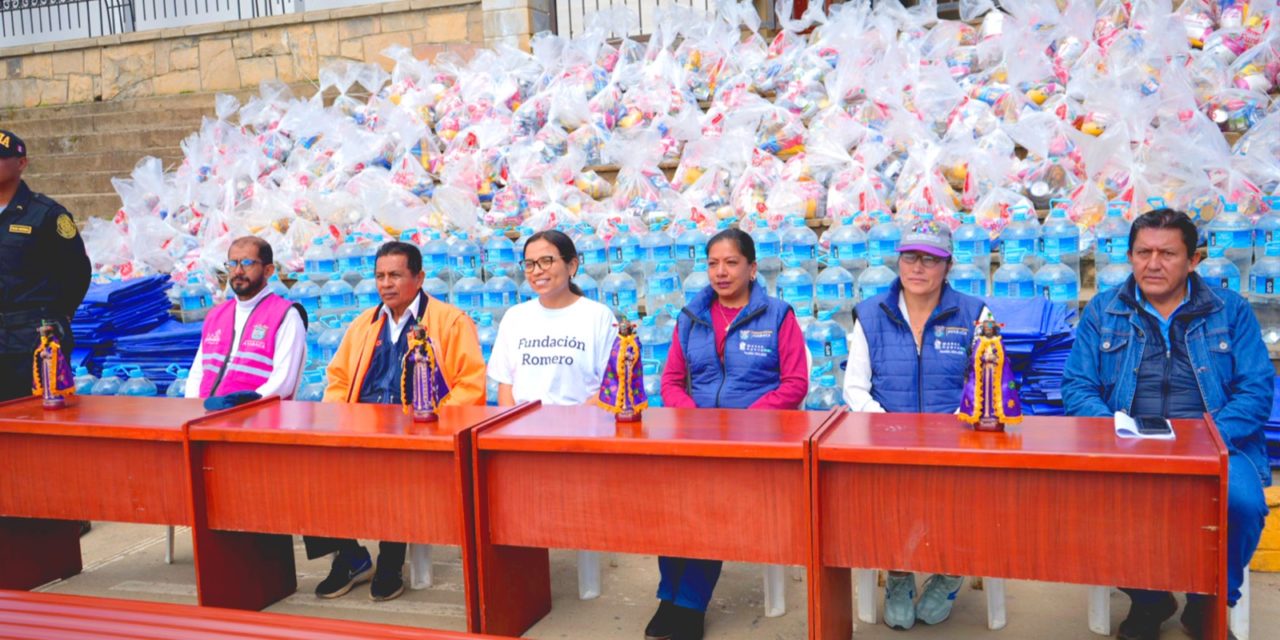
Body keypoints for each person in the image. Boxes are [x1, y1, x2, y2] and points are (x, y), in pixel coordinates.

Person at [1063, 209, 1270, 640]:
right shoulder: (1104, 310)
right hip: (1128, 444)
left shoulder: (1231, 311)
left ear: (1193, 260)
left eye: (1167, 253)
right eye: (1143, 252)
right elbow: (1077, 388)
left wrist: (1205, 438)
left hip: (1214, 444)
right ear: (1130, 256)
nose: (1152, 264)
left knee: (1243, 505)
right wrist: (1117, 433)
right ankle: (1150, 600)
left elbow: (1256, 393)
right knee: (1083, 507)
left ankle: (1207, 601)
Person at [306, 241, 486, 602]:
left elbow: (471, 384)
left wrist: (431, 419)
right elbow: (338, 379)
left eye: (395, 275)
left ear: (418, 278)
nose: (385, 284)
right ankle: (352, 556)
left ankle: (390, 561)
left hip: (421, 428)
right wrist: (336, 417)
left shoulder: (450, 321)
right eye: (380, 276)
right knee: (312, 468)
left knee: (396, 470)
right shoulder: (363, 324)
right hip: (364, 425)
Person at [654, 228, 808, 640]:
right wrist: (697, 421)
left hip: (753, 439)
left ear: (752, 268)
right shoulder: (691, 317)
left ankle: (689, 603)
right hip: (697, 436)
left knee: (712, 506)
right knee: (671, 505)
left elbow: (795, 384)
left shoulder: (778, 314)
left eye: (731, 262)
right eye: (713, 263)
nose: (721, 272)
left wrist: (744, 423)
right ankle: (667, 594)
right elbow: (669, 382)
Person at [841, 220, 989, 631]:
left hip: (954, 443)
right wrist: (889, 429)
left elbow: (987, 383)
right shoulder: (871, 313)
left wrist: (959, 430)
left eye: (930, 259)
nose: (918, 267)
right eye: (910, 257)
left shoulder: (975, 313)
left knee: (961, 500)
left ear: (948, 266)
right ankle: (900, 577)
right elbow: (855, 387)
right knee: (886, 501)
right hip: (890, 442)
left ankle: (949, 572)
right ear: (898, 261)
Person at [487, 229, 619, 601]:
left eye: (547, 260)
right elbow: (505, 384)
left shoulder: (597, 316)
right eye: (530, 263)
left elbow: (606, 388)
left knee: (578, 517)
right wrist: (513, 429)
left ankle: (588, 577)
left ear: (572, 265)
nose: (537, 271)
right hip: (524, 433)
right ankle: (522, 587)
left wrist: (570, 427)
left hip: (580, 434)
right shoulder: (516, 317)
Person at [0, 129, 91, 402]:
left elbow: (77, 271)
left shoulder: (47, 214)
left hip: (30, 340)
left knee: (34, 424)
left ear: (22, 163)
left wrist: (59, 315)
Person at [186, 237, 307, 400]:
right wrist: (193, 407)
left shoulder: (286, 315)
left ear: (268, 270)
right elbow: (197, 373)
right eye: (233, 264)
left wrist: (237, 409)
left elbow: (283, 383)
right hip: (207, 415)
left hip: (256, 416)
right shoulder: (216, 315)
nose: (238, 271)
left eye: (247, 263)